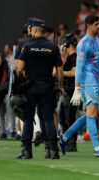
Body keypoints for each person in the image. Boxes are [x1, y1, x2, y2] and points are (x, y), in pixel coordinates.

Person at [59, 15, 99, 157]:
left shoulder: (98, 41)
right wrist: (77, 88)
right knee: (92, 113)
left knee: (91, 114)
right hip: (86, 83)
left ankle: (64, 137)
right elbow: (79, 67)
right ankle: (97, 148)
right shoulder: (83, 44)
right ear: (88, 25)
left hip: (95, 82)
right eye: (96, 24)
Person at [16, 18, 64, 159]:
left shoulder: (27, 46)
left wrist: (21, 83)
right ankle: (53, 151)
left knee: (29, 118)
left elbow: (19, 68)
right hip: (47, 87)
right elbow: (59, 70)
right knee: (48, 119)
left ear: (35, 30)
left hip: (30, 87)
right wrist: (60, 86)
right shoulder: (53, 46)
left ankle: (26, 151)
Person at [58, 34, 78, 152]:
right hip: (67, 92)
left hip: (71, 92)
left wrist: (60, 73)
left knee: (70, 118)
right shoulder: (69, 57)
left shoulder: (74, 57)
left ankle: (72, 143)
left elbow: (74, 73)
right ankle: (66, 140)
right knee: (62, 118)